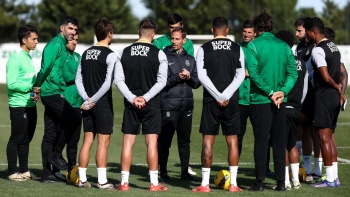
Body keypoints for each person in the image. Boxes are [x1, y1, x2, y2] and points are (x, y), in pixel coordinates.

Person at [245, 11, 297, 191]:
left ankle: (259, 182)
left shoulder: (253, 46)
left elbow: (254, 74)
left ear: (257, 28)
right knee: (279, 142)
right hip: (280, 102)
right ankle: (281, 182)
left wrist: (271, 92)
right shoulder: (284, 46)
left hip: (261, 100)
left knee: (261, 141)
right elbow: (293, 73)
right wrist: (282, 92)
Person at [192, 17, 245, 193]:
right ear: (227, 30)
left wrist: (217, 95)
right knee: (233, 141)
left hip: (211, 101)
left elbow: (201, 75)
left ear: (212, 29)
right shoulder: (237, 48)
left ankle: (205, 185)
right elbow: (241, 75)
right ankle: (234, 184)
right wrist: (226, 95)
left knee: (208, 141)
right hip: (231, 101)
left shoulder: (203, 49)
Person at [114, 19, 168, 191]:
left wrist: (132, 98)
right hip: (151, 103)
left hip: (131, 104)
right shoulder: (159, 53)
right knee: (152, 143)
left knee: (128, 142)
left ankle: (123, 183)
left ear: (138, 32)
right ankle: (154, 184)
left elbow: (118, 80)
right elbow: (162, 82)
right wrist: (145, 98)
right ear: (153, 35)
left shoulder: (123, 52)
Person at [34, 16, 79, 183]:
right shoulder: (54, 45)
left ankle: (47, 174)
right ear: (62, 28)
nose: (73, 33)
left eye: (75, 30)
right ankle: (56, 154)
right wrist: (36, 87)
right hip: (50, 92)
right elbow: (45, 68)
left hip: (55, 90)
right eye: (70, 29)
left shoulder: (62, 45)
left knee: (50, 134)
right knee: (74, 119)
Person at [75, 18, 117, 189]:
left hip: (87, 103)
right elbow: (108, 83)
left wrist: (86, 99)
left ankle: (82, 180)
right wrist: (94, 100)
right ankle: (102, 181)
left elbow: (78, 79)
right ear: (109, 34)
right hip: (102, 103)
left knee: (87, 141)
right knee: (103, 142)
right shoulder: (111, 54)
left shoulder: (85, 53)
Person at [157, 27, 200, 182]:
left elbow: (196, 83)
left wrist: (188, 77)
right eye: (172, 39)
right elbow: (161, 83)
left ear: (184, 40)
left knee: (185, 141)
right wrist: (177, 77)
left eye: (177, 39)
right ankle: (162, 173)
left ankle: (184, 172)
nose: (173, 42)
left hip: (186, 106)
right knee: (165, 141)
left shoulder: (191, 59)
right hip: (169, 104)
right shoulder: (163, 57)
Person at [304, 18, 344, 187]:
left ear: (314, 32)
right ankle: (334, 177)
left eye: (307, 33)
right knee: (330, 138)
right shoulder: (334, 48)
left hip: (324, 96)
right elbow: (342, 72)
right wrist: (340, 91)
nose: (306, 36)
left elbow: (325, 76)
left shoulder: (317, 50)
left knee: (323, 138)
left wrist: (335, 86)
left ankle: (329, 179)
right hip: (333, 97)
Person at [6, 25, 40, 181]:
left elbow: (28, 81)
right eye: (33, 39)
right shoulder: (16, 57)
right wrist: (30, 88)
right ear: (24, 39)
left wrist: (34, 94)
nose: (37, 42)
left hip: (30, 104)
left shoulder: (27, 56)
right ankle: (12, 172)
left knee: (26, 140)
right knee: (16, 139)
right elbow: (11, 84)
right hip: (19, 105)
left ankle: (25, 170)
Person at [275, 30, 308, 190]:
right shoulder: (301, 62)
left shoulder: (280, 61)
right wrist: (298, 104)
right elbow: (305, 88)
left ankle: (285, 181)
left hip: (282, 106)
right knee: (292, 144)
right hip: (296, 107)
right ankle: (296, 180)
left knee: (281, 145)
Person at [295, 17, 322, 182]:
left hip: (314, 95)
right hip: (301, 95)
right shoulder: (298, 47)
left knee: (314, 132)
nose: (297, 33)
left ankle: (318, 169)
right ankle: (305, 168)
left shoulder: (315, 47)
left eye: (300, 30)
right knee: (303, 130)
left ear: (308, 30)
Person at [60, 32, 83, 174]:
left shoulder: (78, 57)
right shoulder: (61, 55)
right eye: (72, 39)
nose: (75, 42)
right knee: (61, 137)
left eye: (77, 40)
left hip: (78, 103)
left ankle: (71, 170)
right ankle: (55, 169)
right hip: (64, 103)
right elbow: (65, 76)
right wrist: (79, 75)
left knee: (74, 141)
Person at [237, 20, 255, 156]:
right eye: (245, 32)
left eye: (249, 32)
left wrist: (248, 73)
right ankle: (234, 166)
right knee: (238, 135)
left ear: (255, 33)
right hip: (240, 99)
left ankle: (264, 168)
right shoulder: (236, 48)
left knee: (261, 136)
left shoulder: (258, 48)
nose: (246, 34)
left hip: (256, 99)